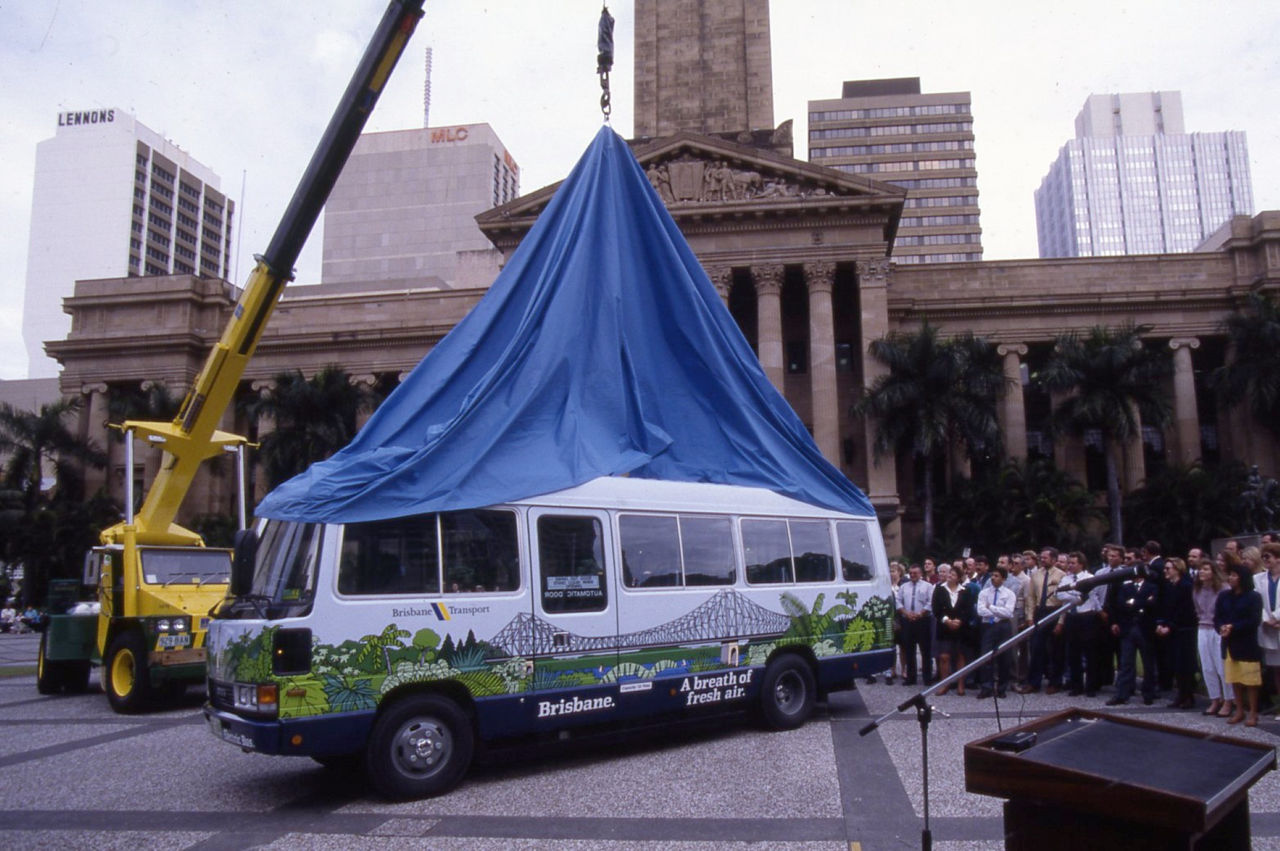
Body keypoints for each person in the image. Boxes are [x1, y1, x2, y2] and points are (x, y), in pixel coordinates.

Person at [1216, 561, 1264, 726]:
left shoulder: (1254, 597)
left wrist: (1233, 627)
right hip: (1229, 643)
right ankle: (1239, 710)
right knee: (1235, 679)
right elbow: (1218, 616)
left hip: (1247, 643)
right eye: (1230, 575)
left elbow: (1254, 620)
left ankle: (1252, 712)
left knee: (1250, 681)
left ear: (1242, 578)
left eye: (1234, 575)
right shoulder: (1224, 596)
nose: (1230, 578)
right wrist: (1221, 627)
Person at [1107, 564, 1159, 706]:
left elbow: (1153, 604)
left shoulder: (1152, 587)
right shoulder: (1125, 588)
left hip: (1145, 628)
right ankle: (1122, 694)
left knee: (1148, 663)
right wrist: (1141, 603)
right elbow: (1121, 605)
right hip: (1128, 628)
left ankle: (1148, 693)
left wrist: (1134, 602)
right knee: (1126, 663)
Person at [1016, 547, 1065, 694]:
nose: (1042, 560)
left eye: (1045, 558)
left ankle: (1055, 682)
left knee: (1056, 650)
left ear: (1054, 559)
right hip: (1040, 611)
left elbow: (1065, 601)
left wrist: (1061, 622)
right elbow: (1030, 597)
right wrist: (1030, 617)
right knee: (1036, 648)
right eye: (1041, 557)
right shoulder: (1036, 575)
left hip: (1055, 610)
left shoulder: (1062, 576)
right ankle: (1034, 682)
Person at [1055, 551, 1103, 697]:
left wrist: (1074, 595)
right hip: (1072, 617)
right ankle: (1076, 685)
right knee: (1073, 653)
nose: (1070, 566)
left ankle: (1091, 686)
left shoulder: (1089, 578)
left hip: (1086, 617)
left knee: (1090, 653)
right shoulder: (1066, 579)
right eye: (1069, 563)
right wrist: (1076, 596)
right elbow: (1060, 594)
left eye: (1073, 563)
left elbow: (1090, 596)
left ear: (1081, 564)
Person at [1156, 557, 1198, 709]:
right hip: (1172, 630)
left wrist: (1171, 626)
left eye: (1168, 568)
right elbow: (1164, 607)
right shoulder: (1168, 586)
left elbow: (1185, 610)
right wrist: (1161, 623)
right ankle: (1181, 694)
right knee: (1175, 664)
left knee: (1184, 664)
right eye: (1165, 569)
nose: (1165, 571)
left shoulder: (1186, 586)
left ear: (1178, 569)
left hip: (1184, 629)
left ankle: (1188, 696)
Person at [1193, 557, 1230, 717]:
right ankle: (1215, 698)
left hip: (1218, 629)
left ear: (1213, 572)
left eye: (1206, 569)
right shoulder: (1197, 589)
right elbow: (1197, 609)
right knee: (1207, 667)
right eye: (1201, 569)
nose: (1202, 572)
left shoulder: (1223, 588)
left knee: (1221, 667)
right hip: (1203, 627)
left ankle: (1229, 700)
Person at [975, 565, 1016, 698]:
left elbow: (1009, 613)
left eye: (997, 576)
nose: (993, 578)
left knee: (1005, 657)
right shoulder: (984, 593)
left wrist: (991, 607)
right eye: (992, 575)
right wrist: (997, 611)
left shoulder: (1009, 594)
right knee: (985, 656)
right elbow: (980, 610)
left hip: (1003, 627)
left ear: (1003, 578)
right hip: (988, 626)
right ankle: (986, 687)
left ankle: (1002, 688)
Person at [932, 564, 973, 696]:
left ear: (959, 578)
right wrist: (947, 620)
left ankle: (961, 685)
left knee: (960, 656)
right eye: (949, 574)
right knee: (944, 656)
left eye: (953, 575)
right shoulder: (939, 589)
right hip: (944, 627)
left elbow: (968, 609)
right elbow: (936, 608)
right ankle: (945, 684)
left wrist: (960, 620)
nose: (950, 576)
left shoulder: (965, 591)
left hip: (960, 628)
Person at [896, 563, 934, 685]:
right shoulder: (903, 587)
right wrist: (906, 613)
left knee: (925, 650)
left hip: (922, 621)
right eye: (911, 573)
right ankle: (911, 678)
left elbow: (930, 602)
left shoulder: (928, 587)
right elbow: (898, 601)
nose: (912, 575)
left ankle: (927, 678)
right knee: (909, 650)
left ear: (921, 574)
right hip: (907, 621)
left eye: (915, 573)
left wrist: (920, 614)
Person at [1258, 542, 1280, 719]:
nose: (1265, 560)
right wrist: (1268, 620)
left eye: (1268, 557)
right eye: (1263, 557)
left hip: (1278, 622)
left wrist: (1277, 618)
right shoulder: (1258, 578)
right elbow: (1258, 602)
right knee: (1276, 670)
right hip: (1269, 629)